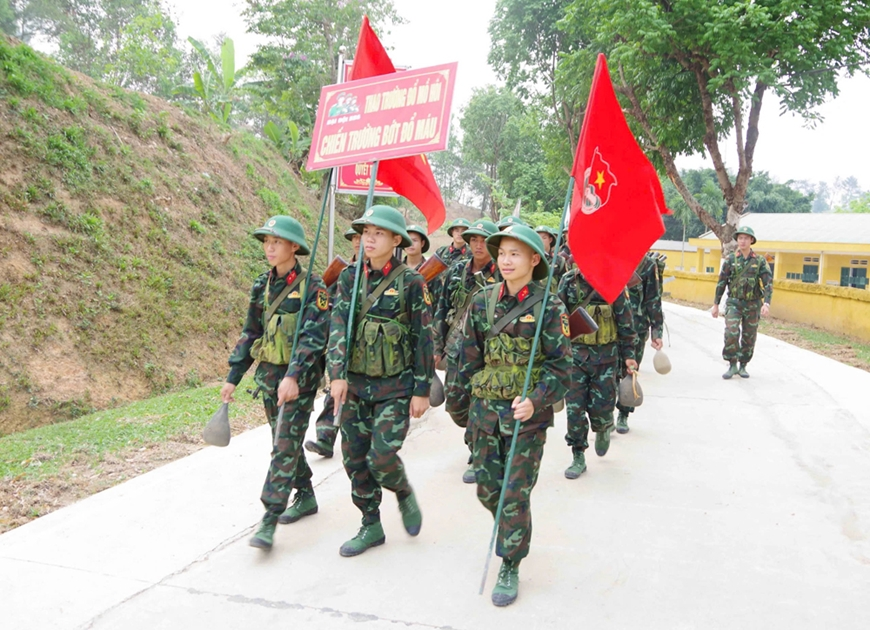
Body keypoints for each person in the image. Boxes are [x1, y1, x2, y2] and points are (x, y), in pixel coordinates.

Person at [454, 224, 571, 606]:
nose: (505, 260)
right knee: (489, 489)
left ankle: (510, 561)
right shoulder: (482, 302)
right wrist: (462, 407)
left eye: (515, 254)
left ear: (535, 259)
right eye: (502, 253)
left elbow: (561, 369)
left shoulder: (549, 306)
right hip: (486, 415)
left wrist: (536, 400)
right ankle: (509, 530)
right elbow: (468, 359)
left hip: (526, 420)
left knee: (514, 493)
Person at [327, 205, 435, 557]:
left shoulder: (411, 282)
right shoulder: (349, 277)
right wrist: (337, 374)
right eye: (366, 233)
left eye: (378, 233)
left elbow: (423, 339)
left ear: (395, 240)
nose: (369, 239)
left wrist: (422, 390)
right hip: (356, 386)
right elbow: (338, 326)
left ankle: (402, 490)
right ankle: (370, 523)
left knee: (382, 456)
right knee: (354, 458)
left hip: (396, 388)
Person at [221, 216, 330, 550]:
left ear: (294, 247)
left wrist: (293, 376)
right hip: (269, 378)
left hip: (299, 381)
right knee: (284, 440)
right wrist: (233, 377)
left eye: (277, 241)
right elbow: (251, 332)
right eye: (266, 241)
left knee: (283, 445)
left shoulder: (314, 287)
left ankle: (269, 516)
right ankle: (306, 494)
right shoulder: (262, 285)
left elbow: (314, 337)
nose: (269, 247)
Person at [435, 219, 501, 483]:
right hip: (456, 348)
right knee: (455, 404)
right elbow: (442, 308)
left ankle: (478, 451)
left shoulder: (503, 274)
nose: (478, 245)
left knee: (481, 403)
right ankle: (476, 435)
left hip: (487, 353)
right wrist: (436, 346)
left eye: (484, 240)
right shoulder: (457, 271)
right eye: (474, 239)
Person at [557, 267, 637, 479]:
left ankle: (603, 427)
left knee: (602, 408)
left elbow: (625, 322)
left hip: (606, 359)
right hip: (575, 358)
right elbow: (556, 318)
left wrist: (629, 356)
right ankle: (578, 455)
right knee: (574, 410)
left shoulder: (614, 282)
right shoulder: (568, 282)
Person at [305, 228, 362, 459]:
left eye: (361, 237)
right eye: (355, 238)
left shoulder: (376, 274)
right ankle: (325, 438)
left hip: (367, 343)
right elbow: (322, 299)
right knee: (335, 387)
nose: (358, 242)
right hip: (338, 339)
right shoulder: (341, 271)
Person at [712, 226, 772, 379]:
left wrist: (767, 303)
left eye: (746, 238)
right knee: (731, 331)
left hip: (753, 304)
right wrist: (716, 304)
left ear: (751, 240)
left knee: (749, 336)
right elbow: (722, 282)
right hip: (734, 303)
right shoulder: (730, 260)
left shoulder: (760, 261)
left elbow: (768, 284)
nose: (742, 241)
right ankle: (732, 364)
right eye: (740, 238)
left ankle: (743, 365)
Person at [615, 253, 664, 434]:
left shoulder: (647, 265)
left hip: (637, 327)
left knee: (630, 372)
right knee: (608, 372)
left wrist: (656, 331)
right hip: (612, 325)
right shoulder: (613, 258)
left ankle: (623, 413)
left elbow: (653, 299)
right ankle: (604, 417)